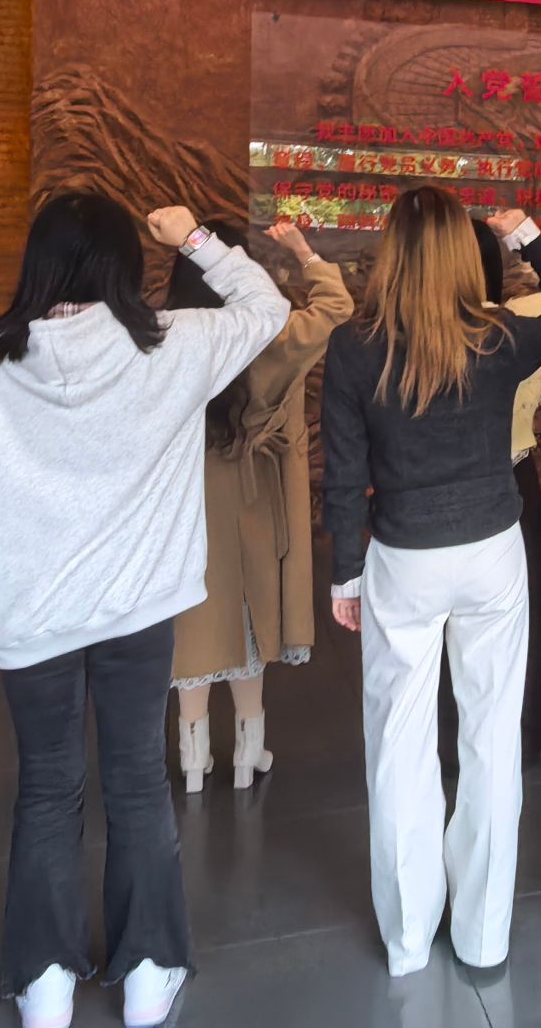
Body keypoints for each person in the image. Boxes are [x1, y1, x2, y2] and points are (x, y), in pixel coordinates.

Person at [0, 194, 288, 1028]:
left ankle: (45, 984)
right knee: (136, 783)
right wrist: (193, 237)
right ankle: (149, 971)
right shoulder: (170, 345)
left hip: (31, 618)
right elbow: (268, 307)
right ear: (125, 265)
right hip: (138, 610)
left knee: (46, 790)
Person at [320, 191, 541, 977]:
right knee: (491, 741)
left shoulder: (355, 346)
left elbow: (344, 472)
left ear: (394, 251)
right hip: (491, 554)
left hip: (403, 557)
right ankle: (483, 935)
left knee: (398, 748)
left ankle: (409, 939)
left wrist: (344, 573)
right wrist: (527, 234)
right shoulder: (497, 335)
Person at [167, 217, 352, 791]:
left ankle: (193, 759)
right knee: (249, 621)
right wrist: (302, 251)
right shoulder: (269, 333)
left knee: (193, 624)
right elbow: (337, 306)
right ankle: (249, 754)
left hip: (185, 504)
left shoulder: (164, 336)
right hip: (256, 498)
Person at [434, 219, 541, 768]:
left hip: (444, 482)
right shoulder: (519, 324)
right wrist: (524, 234)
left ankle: (448, 734)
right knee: (521, 609)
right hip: (514, 475)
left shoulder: (422, 330)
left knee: (444, 609)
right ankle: (523, 730)